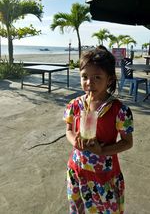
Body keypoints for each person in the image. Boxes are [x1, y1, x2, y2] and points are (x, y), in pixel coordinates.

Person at [64, 46, 133, 214]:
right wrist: (76, 141)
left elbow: (127, 142)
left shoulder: (119, 110)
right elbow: (69, 130)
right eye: (85, 77)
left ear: (109, 79)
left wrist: (102, 150)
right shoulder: (75, 105)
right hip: (78, 170)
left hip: (104, 176)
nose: (89, 82)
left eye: (97, 77)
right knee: (78, 209)